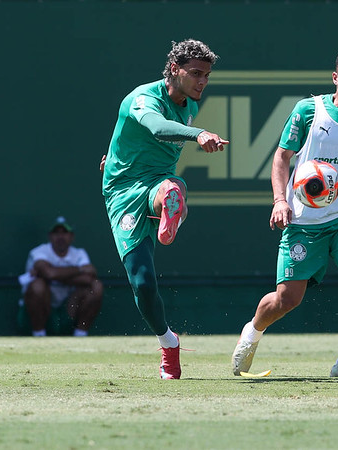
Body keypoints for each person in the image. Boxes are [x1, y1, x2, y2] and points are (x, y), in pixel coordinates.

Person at [231, 49, 338, 378]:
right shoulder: (309, 111)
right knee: (286, 299)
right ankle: (252, 333)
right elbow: (281, 158)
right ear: (335, 77)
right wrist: (280, 200)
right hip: (304, 223)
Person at [101, 39, 228, 380]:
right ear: (175, 69)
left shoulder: (189, 104)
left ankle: (171, 207)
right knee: (142, 283)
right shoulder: (144, 97)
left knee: (172, 188)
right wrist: (199, 134)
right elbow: (155, 127)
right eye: (196, 73)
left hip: (157, 181)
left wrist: (115, 154)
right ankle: (168, 343)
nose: (203, 82)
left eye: (207, 76)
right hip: (122, 192)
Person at [18, 216, 103, 337]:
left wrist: (54, 275)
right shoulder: (38, 252)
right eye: (56, 233)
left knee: (96, 286)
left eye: (65, 232)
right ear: (50, 236)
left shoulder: (79, 254)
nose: (60, 237)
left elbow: (89, 278)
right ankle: (39, 335)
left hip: (67, 311)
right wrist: (79, 270)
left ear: (71, 237)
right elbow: (49, 273)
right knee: (38, 286)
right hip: (38, 313)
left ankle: (80, 335)